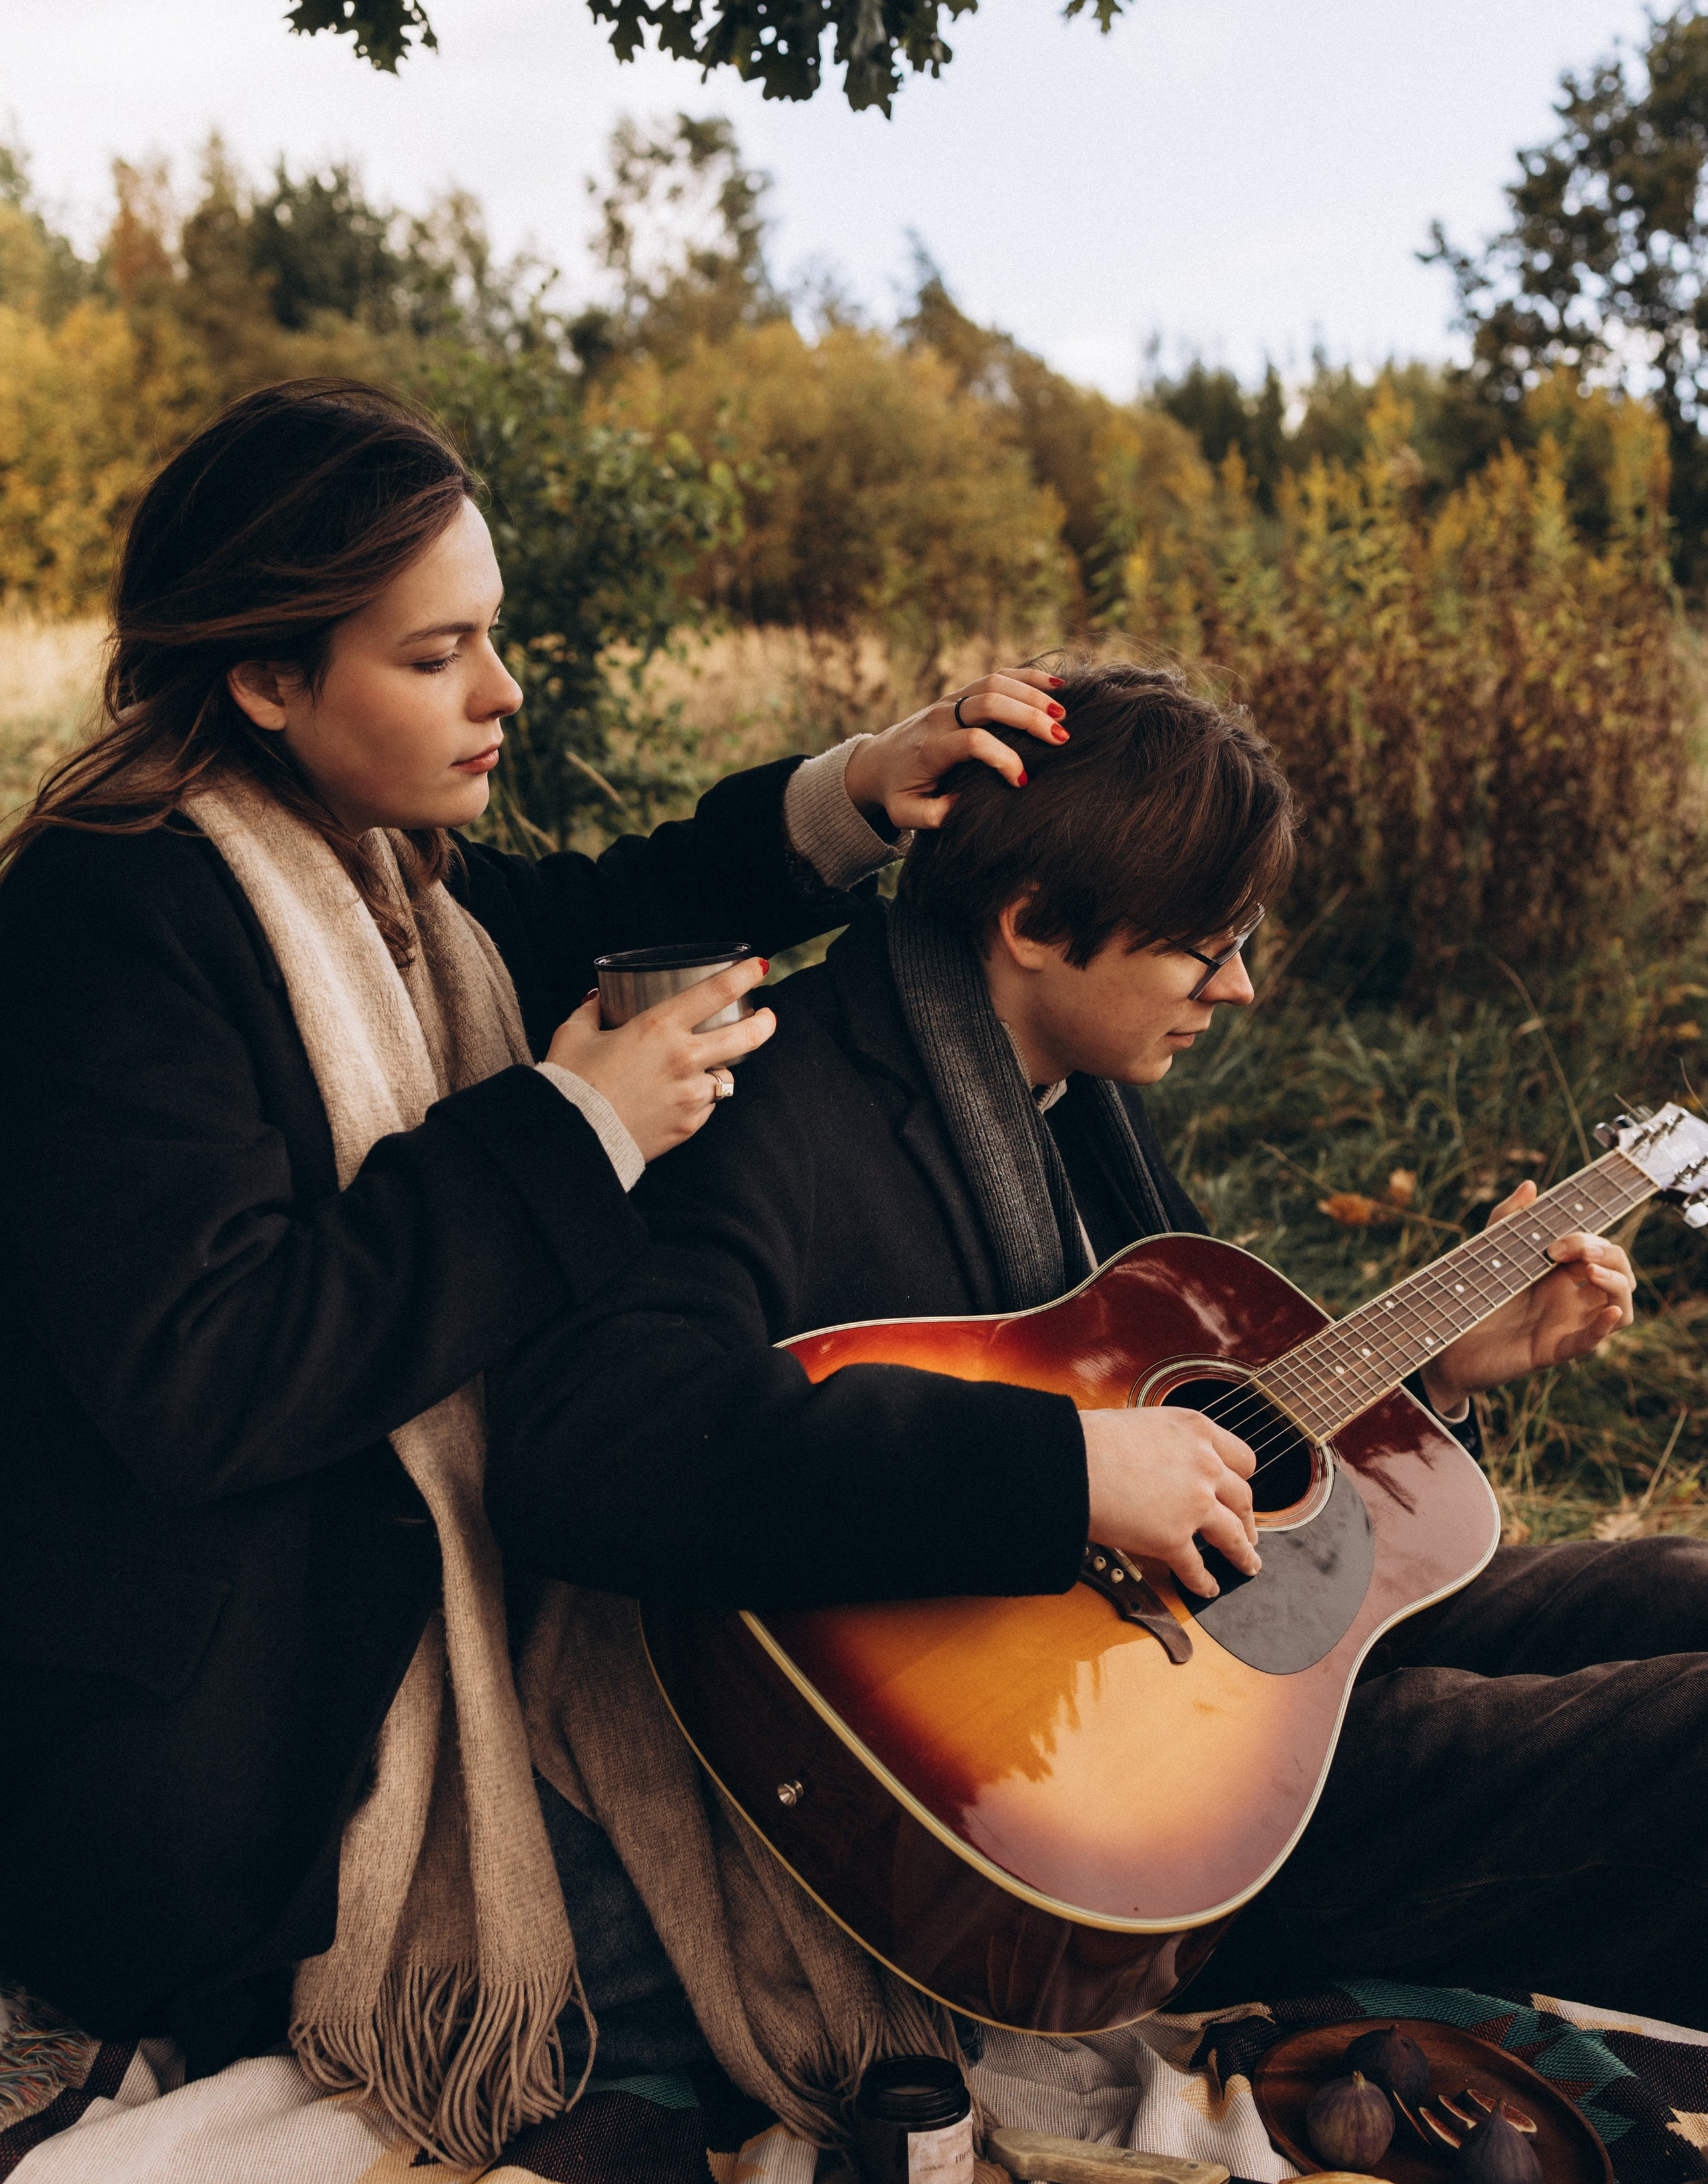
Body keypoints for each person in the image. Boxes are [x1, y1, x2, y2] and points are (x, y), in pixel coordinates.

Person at [0, 375, 1067, 2087]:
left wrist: (866, 786)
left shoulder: (388, 873)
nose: (500, 692)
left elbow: (589, 907)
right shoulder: (109, 915)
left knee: (840, 1879)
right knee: (804, 1944)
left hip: (418, 1633)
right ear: (268, 676)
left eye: (491, 638)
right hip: (244, 1741)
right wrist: (572, 1134)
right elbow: (208, 1376)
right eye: (433, 658)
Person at [485, 660, 1701, 2037]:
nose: (1237, 988)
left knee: (1678, 1584)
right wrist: (1061, 1472)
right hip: (1093, 1798)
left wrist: (1433, 1377)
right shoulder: (774, 1106)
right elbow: (591, 1444)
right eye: (1205, 945)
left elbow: (1202, 1423)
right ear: (1031, 922)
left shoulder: (1071, 1086)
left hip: (1231, 1649)